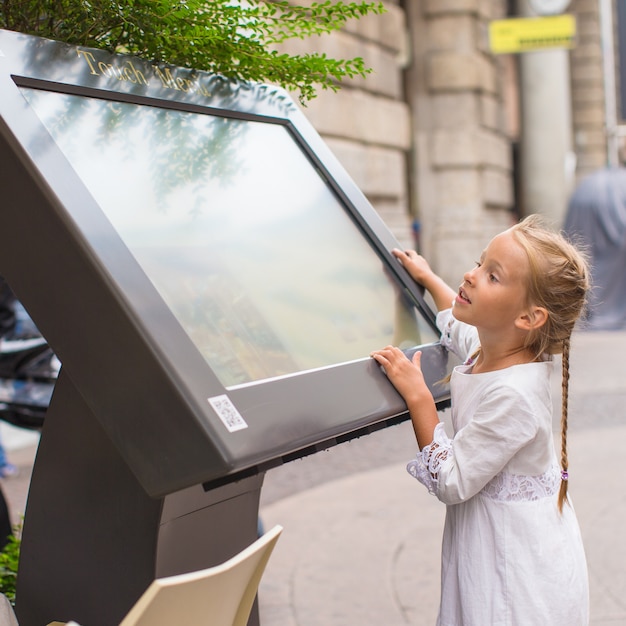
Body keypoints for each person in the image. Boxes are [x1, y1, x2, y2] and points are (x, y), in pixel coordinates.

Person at [371, 215, 590, 625]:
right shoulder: (495, 345)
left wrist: (419, 396)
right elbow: (456, 328)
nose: (470, 275)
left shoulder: (514, 394)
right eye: (479, 262)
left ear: (529, 317)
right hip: (502, 542)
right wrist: (428, 277)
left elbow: (452, 480)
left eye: (493, 276)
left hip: (511, 567)